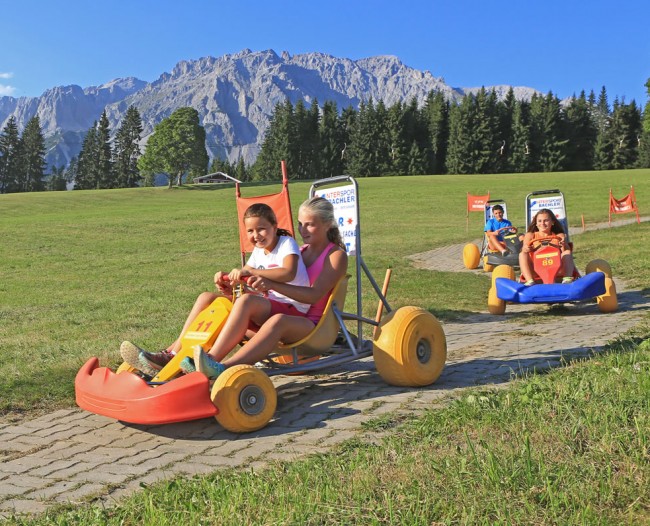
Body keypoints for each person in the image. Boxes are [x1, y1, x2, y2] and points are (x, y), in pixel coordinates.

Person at [120, 202, 311, 377]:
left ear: (274, 226)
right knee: (207, 298)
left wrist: (250, 271)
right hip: (269, 306)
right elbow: (247, 281)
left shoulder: (286, 244)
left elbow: (288, 272)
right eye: (250, 231)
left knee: (246, 301)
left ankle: (211, 360)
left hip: (291, 308)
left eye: (262, 229)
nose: (256, 235)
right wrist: (229, 282)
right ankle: (172, 354)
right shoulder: (259, 252)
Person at [188, 196, 348, 379]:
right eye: (300, 224)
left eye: (309, 224)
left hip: (311, 325)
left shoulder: (336, 256)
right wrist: (235, 286)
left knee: (277, 320)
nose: (303, 230)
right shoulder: (299, 251)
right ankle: (177, 355)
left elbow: (313, 296)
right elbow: (270, 288)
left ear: (328, 224)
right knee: (213, 300)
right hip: (283, 309)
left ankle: (220, 367)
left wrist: (270, 284)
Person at [519, 208, 576, 286]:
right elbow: (524, 247)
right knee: (522, 254)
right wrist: (527, 248)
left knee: (567, 252)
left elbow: (565, 252)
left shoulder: (558, 236)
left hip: (557, 269)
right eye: (539, 221)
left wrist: (563, 245)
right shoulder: (530, 235)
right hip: (536, 270)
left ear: (552, 222)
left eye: (546, 220)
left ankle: (567, 279)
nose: (542, 223)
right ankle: (530, 281)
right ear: (536, 223)